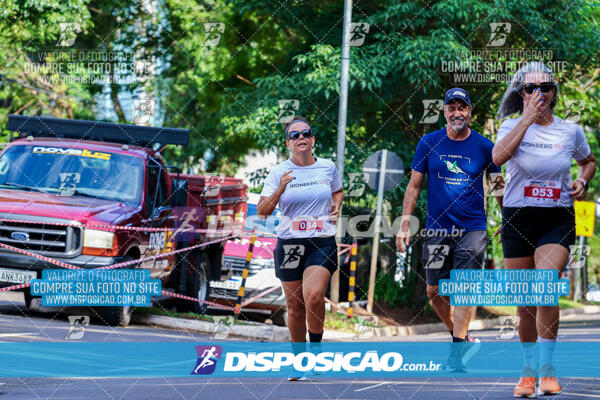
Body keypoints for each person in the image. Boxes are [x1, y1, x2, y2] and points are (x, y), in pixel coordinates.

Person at [493, 62, 596, 398]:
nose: (538, 94)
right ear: (521, 94)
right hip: (518, 219)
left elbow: (589, 161)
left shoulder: (570, 131)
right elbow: (497, 158)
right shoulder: (509, 125)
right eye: (529, 88)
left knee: (544, 286)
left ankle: (548, 368)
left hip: (556, 218)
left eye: (544, 88)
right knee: (524, 303)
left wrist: (581, 180)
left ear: (553, 93)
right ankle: (526, 372)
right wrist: (525, 119)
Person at [396, 88, 502, 372]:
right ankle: (463, 337)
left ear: (469, 112)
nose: (457, 113)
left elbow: (497, 184)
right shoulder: (429, 143)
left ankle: (456, 354)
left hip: (472, 228)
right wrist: (405, 223)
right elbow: (414, 185)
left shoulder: (484, 146)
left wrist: (507, 218)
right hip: (436, 229)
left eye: (462, 108)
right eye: (452, 108)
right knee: (434, 291)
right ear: (444, 112)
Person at [257, 116, 343, 381]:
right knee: (294, 305)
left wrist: (336, 206)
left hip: (321, 240)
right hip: (290, 242)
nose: (301, 138)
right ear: (288, 143)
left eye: (306, 133)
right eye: (295, 135)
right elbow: (262, 211)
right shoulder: (278, 172)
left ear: (313, 139)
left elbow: (337, 191)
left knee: (313, 295)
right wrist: (280, 188)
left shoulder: (328, 167)